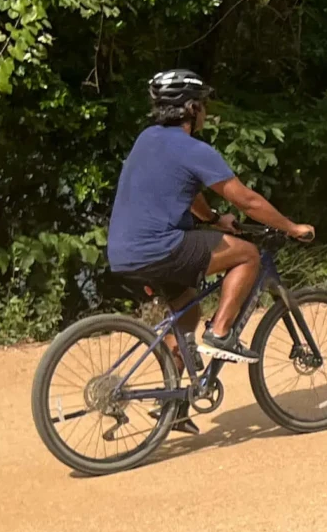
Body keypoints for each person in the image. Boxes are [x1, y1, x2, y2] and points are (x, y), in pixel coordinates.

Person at [105, 69, 314, 365]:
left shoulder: (147, 138)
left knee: (187, 310)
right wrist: (292, 228)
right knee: (248, 255)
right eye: (202, 104)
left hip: (124, 252)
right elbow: (249, 202)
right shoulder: (194, 149)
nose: (205, 110)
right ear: (191, 108)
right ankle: (221, 333)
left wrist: (214, 219)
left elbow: (186, 191)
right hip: (160, 247)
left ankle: (172, 403)